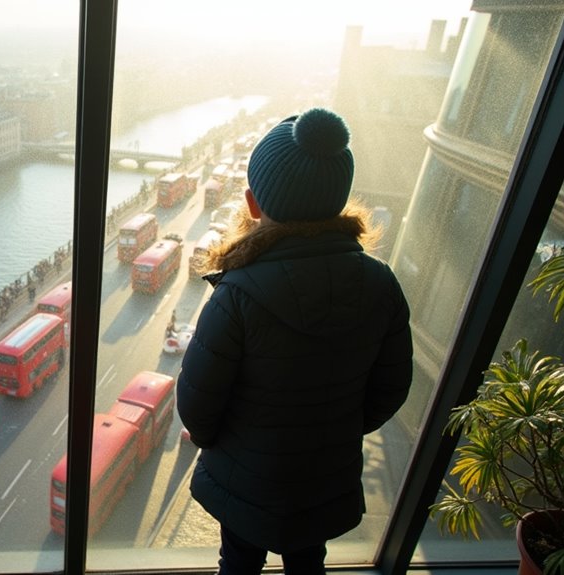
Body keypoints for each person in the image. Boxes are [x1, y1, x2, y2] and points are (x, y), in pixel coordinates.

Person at [177, 108, 413, 575]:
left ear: (253, 203)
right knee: (309, 562)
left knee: (239, 562)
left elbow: (198, 407)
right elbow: (391, 389)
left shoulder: (237, 294)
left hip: (247, 480)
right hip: (323, 478)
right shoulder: (380, 283)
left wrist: (225, 446)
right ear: (339, 201)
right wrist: (335, 432)